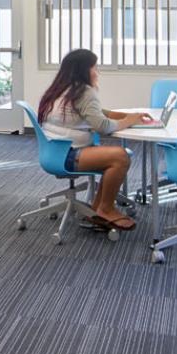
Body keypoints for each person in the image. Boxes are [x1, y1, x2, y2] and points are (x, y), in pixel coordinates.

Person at [37, 48, 150, 232]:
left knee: (112, 159)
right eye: (94, 67)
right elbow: (103, 126)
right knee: (120, 157)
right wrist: (129, 121)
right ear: (83, 70)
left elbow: (99, 113)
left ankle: (97, 211)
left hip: (54, 152)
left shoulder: (62, 89)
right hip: (68, 155)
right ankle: (106, 209)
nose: (97, 71)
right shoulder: (84, 92)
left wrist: (131, 116)